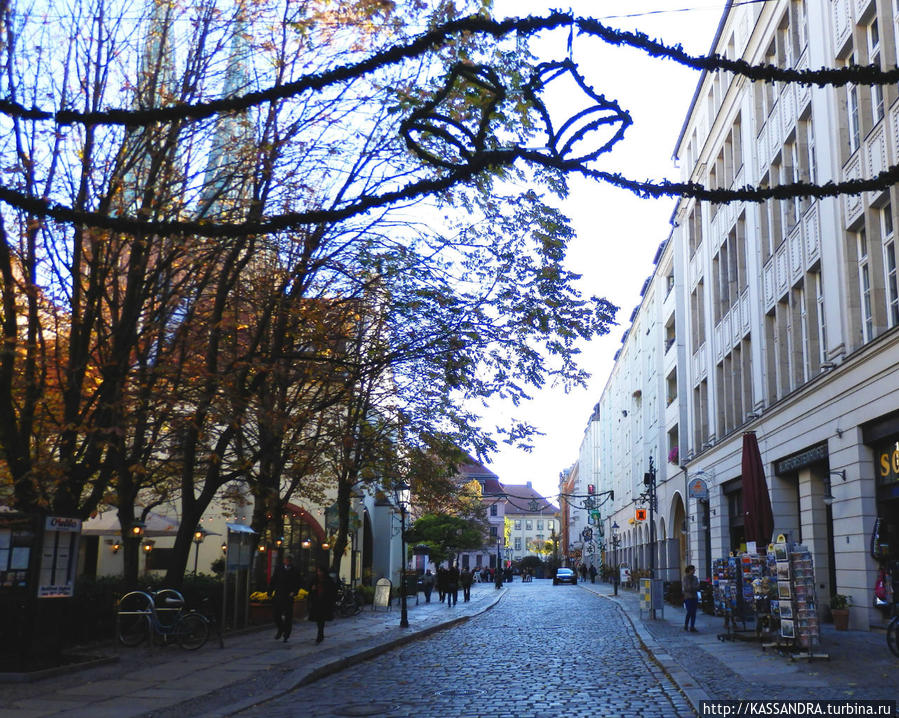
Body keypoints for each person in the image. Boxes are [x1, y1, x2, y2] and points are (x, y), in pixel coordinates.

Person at [268, 554, 301, 642]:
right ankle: (281, 628)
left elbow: (298, 582)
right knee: (276, 615)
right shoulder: (279, 569)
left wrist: (294, 592)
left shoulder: (295, 570)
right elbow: (273, 580)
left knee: (288, 616)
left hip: (288, 596)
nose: (287, 562)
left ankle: (286, 633)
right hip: (279, 594)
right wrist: (270, 591)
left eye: (289, 560)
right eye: (286, 560)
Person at [308, 564, 337, 644]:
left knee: (321, 619)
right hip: (316, 602)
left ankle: (320, 635)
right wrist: (312, 589)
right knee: (318, 619)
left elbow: (333, 591)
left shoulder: (328, 580)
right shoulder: (314, 580)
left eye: (320, 571)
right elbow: (309, 589)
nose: (319, 573)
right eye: (318, 571)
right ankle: (320, 634)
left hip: (325, 602)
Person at [682, 564, 700, 632]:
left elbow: (698, 586)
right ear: (689, 570)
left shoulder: (695, 578)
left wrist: (693, 588)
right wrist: (693, 588)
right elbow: (686, 588)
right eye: (693, 569)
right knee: (689, 611)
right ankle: (686, 625)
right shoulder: (685, 578)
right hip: (688, 597)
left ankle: (692, 626)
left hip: (694, 597)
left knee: (694, 612)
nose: (694, 570)